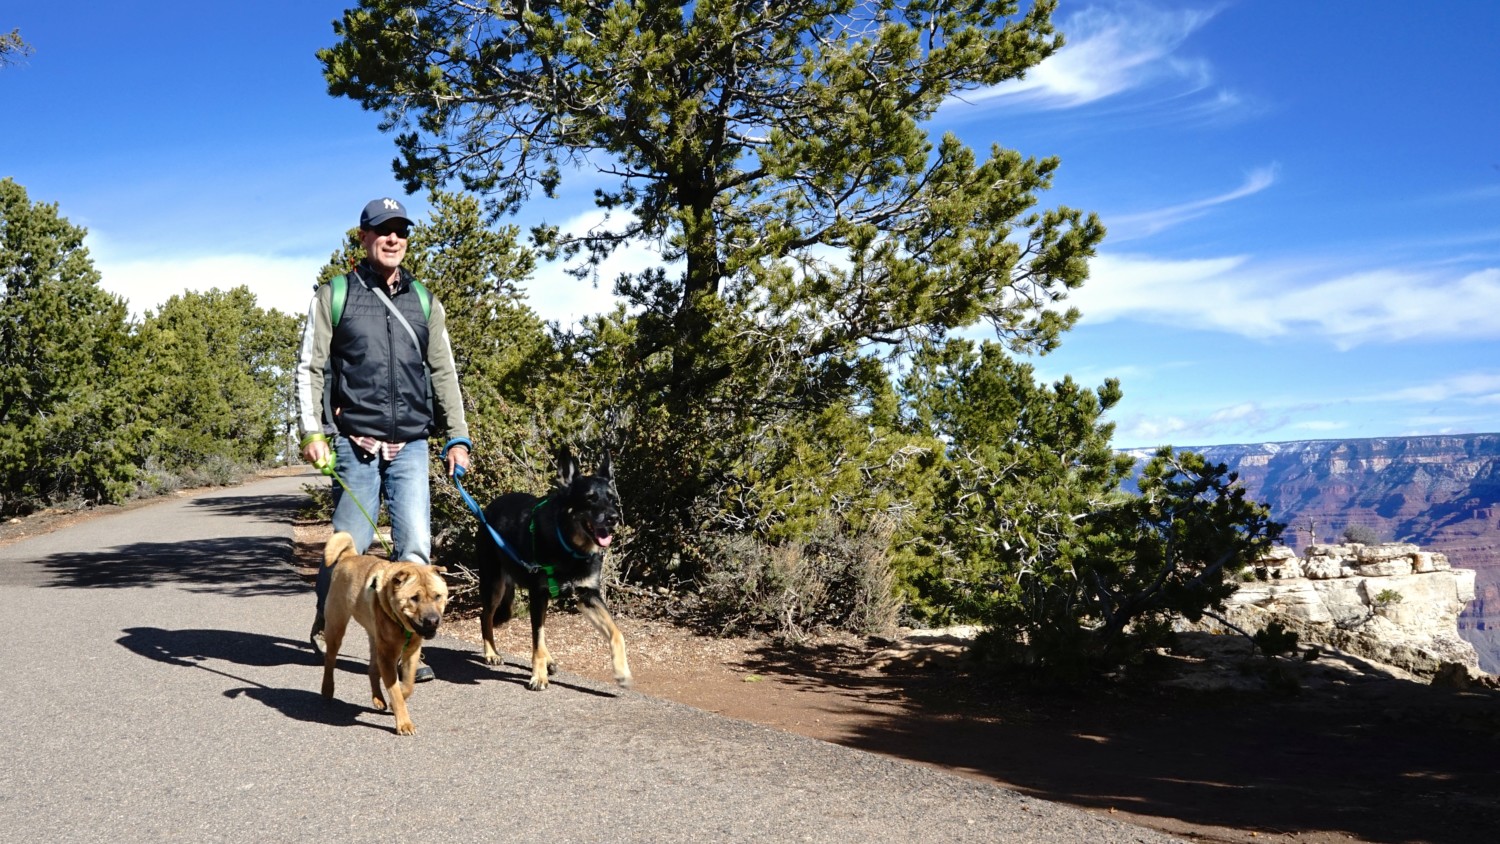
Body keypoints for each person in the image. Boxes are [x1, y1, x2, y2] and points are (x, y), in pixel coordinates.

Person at [295, 196, 471, 682]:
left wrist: (457, 437)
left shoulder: (424, 301)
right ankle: (326, 620)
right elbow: (310, 365)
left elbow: (443, 372)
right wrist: (313, 431)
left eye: (401, 230)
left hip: (411, 442)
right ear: (364, 237)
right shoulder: (336, 294)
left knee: (415, 547)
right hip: (355, 441)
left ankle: (407, 646)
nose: (393, 238)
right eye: (382, 230)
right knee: (347, 551)